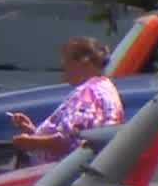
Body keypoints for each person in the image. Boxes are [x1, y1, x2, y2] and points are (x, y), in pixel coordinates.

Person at [11, 36, 124, 164]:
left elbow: (69, 141)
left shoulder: (90, 93)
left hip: (68, 176)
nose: (63, 67)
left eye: (66, 62)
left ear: (83, 62)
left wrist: (30, 142)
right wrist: (32, 131)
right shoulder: (103, 87)